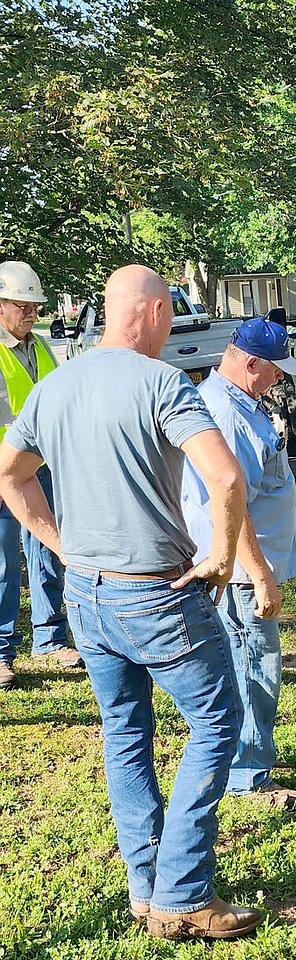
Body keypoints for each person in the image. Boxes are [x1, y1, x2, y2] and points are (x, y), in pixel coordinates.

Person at [0, 264, 264, 941]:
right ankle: (182, 892)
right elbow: (226, 476)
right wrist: (224, 557)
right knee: (215, 724)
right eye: (170, 312)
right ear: (147, 313)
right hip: (156, 591)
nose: (172, 324)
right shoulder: (163, 382)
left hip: (85, 592)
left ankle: (145, 889)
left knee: (125, 734)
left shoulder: (54, 385)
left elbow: (10, 475)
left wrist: (59, 545)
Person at [182, 317, 296, 805]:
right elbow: (230, 505)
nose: (280, 377)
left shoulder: (235, 402)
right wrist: (260, 576)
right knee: (255, 667)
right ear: (250, 362)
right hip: (240, 574)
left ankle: (242, 756)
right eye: (275, 369)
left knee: (242, 665)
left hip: (239, 568)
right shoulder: (227, 416)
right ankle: (248, 775)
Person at [0, 260, 83, 690]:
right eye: (22, 306)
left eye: (34, 307)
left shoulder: (42, 347)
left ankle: (49, 638)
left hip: (42, 467)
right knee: (3, 564)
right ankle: (1, 651)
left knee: (49, 549)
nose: (31, 314)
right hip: (2, 472)